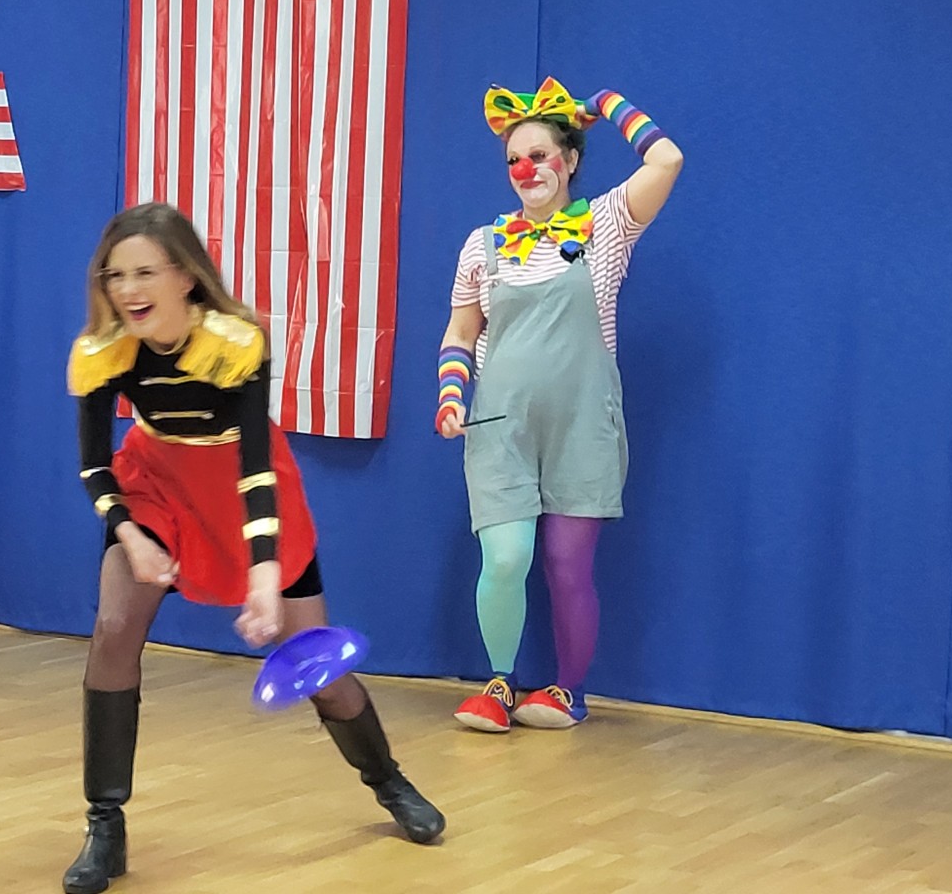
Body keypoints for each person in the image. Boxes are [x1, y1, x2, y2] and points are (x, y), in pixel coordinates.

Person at [64, 202, 445, 894]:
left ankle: (389, 782)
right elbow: (95, 467)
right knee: (114, 628)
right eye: (115, 275)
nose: (128, 289)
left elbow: (255, 469)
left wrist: (264, 575)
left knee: (315, 663)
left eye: (145, 272)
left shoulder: (236, 344)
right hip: (155, 484)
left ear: (185, 276)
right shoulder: (102, 352)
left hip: (247, 489)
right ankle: (105, 826)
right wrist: (129, 535)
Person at [437, 78, 683, 732]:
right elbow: (461, 331)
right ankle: (498, 685)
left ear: (570, 160)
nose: (526, 170)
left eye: (540, 155)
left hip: (583, 425)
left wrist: (604, 104)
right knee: (505, 558)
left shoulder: (606, 225)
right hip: (500, 427)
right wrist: (451, 393)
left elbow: (667, 160)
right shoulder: (482, 245)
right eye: (514, 159)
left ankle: (568, 691)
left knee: (568, 567)